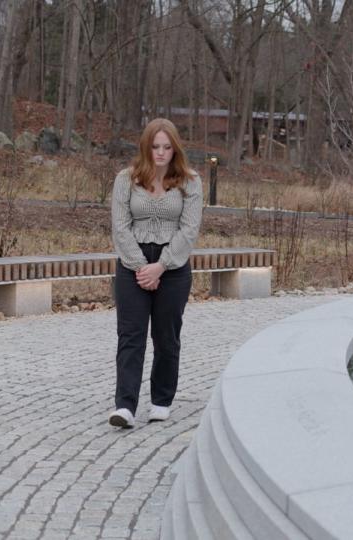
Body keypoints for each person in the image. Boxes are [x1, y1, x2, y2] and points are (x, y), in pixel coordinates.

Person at [108, 118, 203, 428]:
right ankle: (125, 406)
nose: (161, 153)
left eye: (166, 147)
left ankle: (161, 400)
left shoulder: (191, 181)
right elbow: (120, 227)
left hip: (172, 268)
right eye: (155, 146)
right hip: (132, 266)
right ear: (146, 147)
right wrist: (141, 267)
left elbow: (189, 230)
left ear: (175, 149)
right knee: (130, 336)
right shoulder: (126, 179)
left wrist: (160, 266)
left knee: (166, 336)